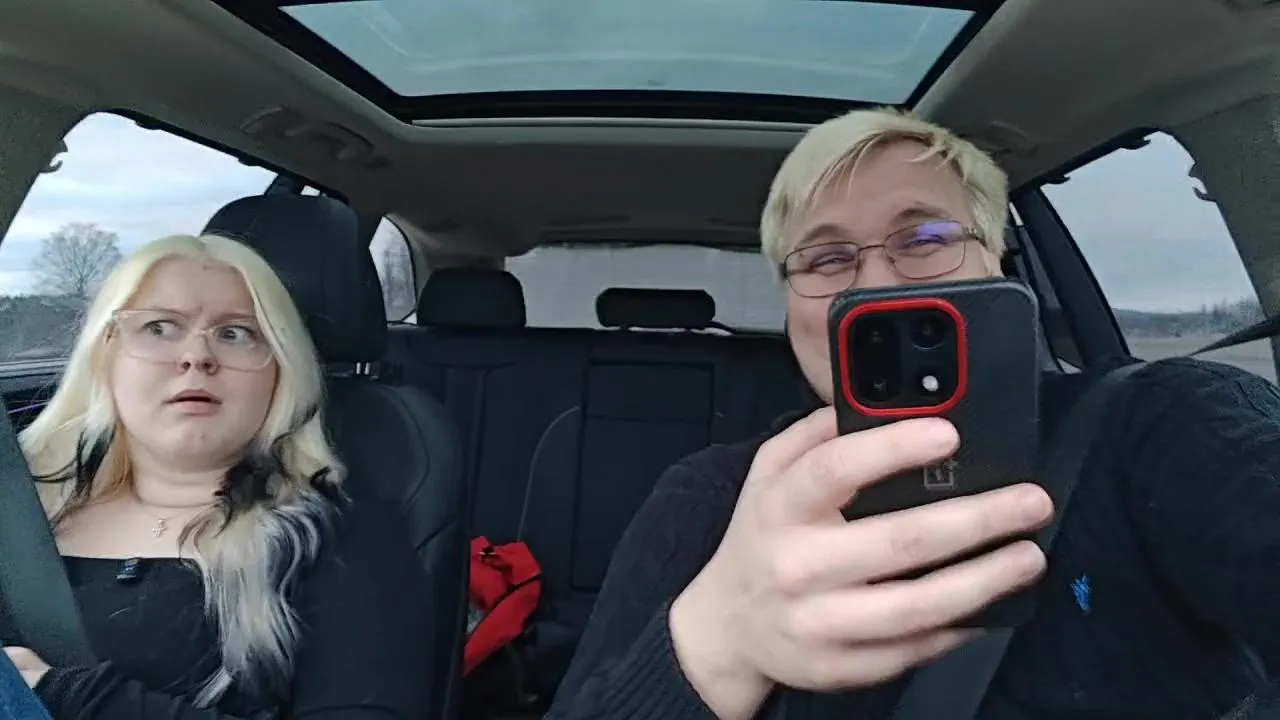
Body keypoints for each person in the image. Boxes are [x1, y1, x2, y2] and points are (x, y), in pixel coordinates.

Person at [546, 108, 1280, 719]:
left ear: (995, 263)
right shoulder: (709, 498)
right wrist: (718, 643)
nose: (876, 285)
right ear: (790, 309)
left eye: (926, 239)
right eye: (826, 259)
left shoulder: (1154, 420)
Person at [2, 234, 436, 719]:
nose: (197, 357)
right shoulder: (19, 508)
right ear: (106, 357)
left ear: (280, 372)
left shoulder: (337, 539)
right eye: (160, 327)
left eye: (235, 334)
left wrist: (69, 697)